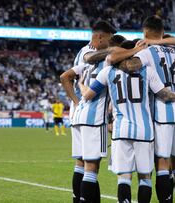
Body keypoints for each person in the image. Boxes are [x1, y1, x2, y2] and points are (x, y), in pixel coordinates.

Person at [108, 16, 175, 203]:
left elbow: (129, 66)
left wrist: (119, 57)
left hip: (162, 113)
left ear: (146, 33)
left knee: (163, 163)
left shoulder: (148, 52)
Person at [79, 40, 175, 203]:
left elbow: (87, 96)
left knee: (124, 177)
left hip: (121, 130)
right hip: (145, 130)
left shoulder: (108, 72)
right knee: (145, 177)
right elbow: (165, 95)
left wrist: (80, 84)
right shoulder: (147, 70)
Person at [60, 20, 116, 203]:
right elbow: (88, 60)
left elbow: (67, 76)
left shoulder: (87, 53)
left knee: (81, 163)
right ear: (100, 37)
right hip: (91, 113)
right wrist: (117, 49)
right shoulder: (90, 52)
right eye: (109, 39)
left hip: (79, 114)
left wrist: (76, 104)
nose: (111, 42)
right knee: (91, 166)